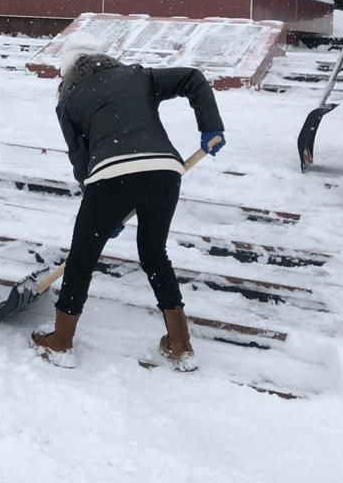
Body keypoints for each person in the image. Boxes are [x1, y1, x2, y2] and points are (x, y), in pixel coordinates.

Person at [31, 44, 226, 371]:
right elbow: (192, 78)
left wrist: (101, 208)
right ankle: (180, 344)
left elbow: (80, 160)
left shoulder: (68, 103)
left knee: (82, 257)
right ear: (106, 61)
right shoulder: (138, 77)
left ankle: (61, 342)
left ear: (67, 75)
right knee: (153, 253)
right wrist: (210, 126)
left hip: (109, 176)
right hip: (164, 171)